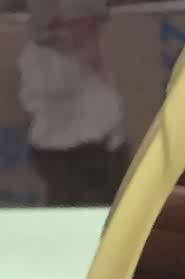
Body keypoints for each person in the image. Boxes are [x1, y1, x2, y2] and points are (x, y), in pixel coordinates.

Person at [18, 0, 129, 206]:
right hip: (66, 154)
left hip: (99, 151)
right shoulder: (42, 60)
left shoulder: (98, 70)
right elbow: (42, 96)